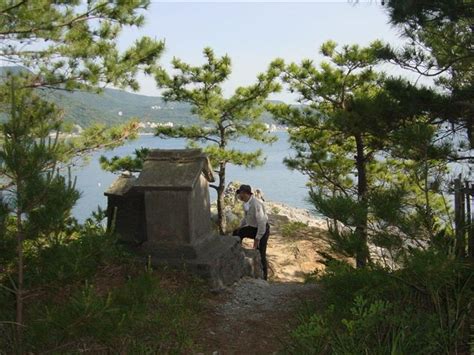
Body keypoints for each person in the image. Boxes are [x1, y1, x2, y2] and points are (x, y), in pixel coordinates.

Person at [232, 184, 270, 280]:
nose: (239, 195)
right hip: (253, 227)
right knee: (237, 232)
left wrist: (257, 239)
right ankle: (237, 252)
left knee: (261, 253)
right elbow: (246, 217)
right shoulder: (245, 203)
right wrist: (240, 227)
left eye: (240, 193)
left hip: (263, 229)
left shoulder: (256, 204)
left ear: (245, 193)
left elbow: (261, 222)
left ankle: (264, 277)